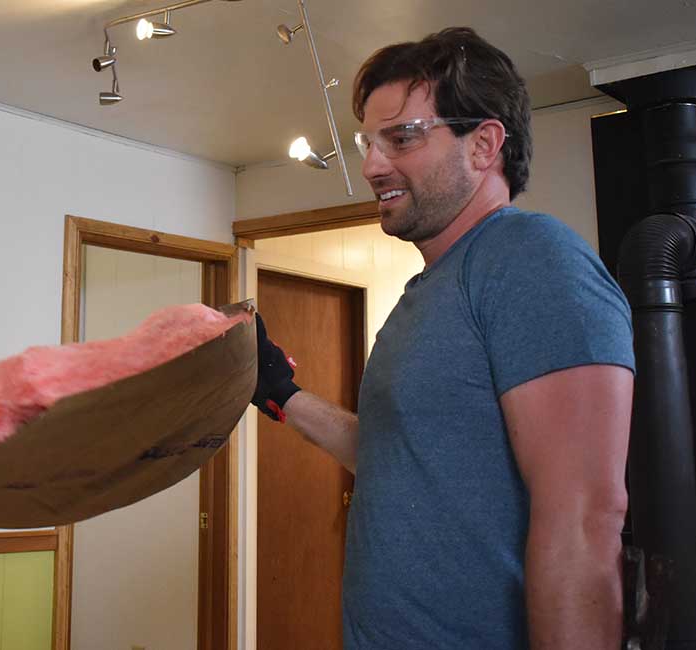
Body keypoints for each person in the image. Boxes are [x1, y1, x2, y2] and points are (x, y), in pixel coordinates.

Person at [251, 27, 635, 650]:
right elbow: (405, 461)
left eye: (401, 138)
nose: (373, 166)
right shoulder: (425, 292)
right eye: (367, 143)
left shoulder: (530, 260)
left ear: (483, 144)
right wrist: (280, 392)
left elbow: (586, 520)